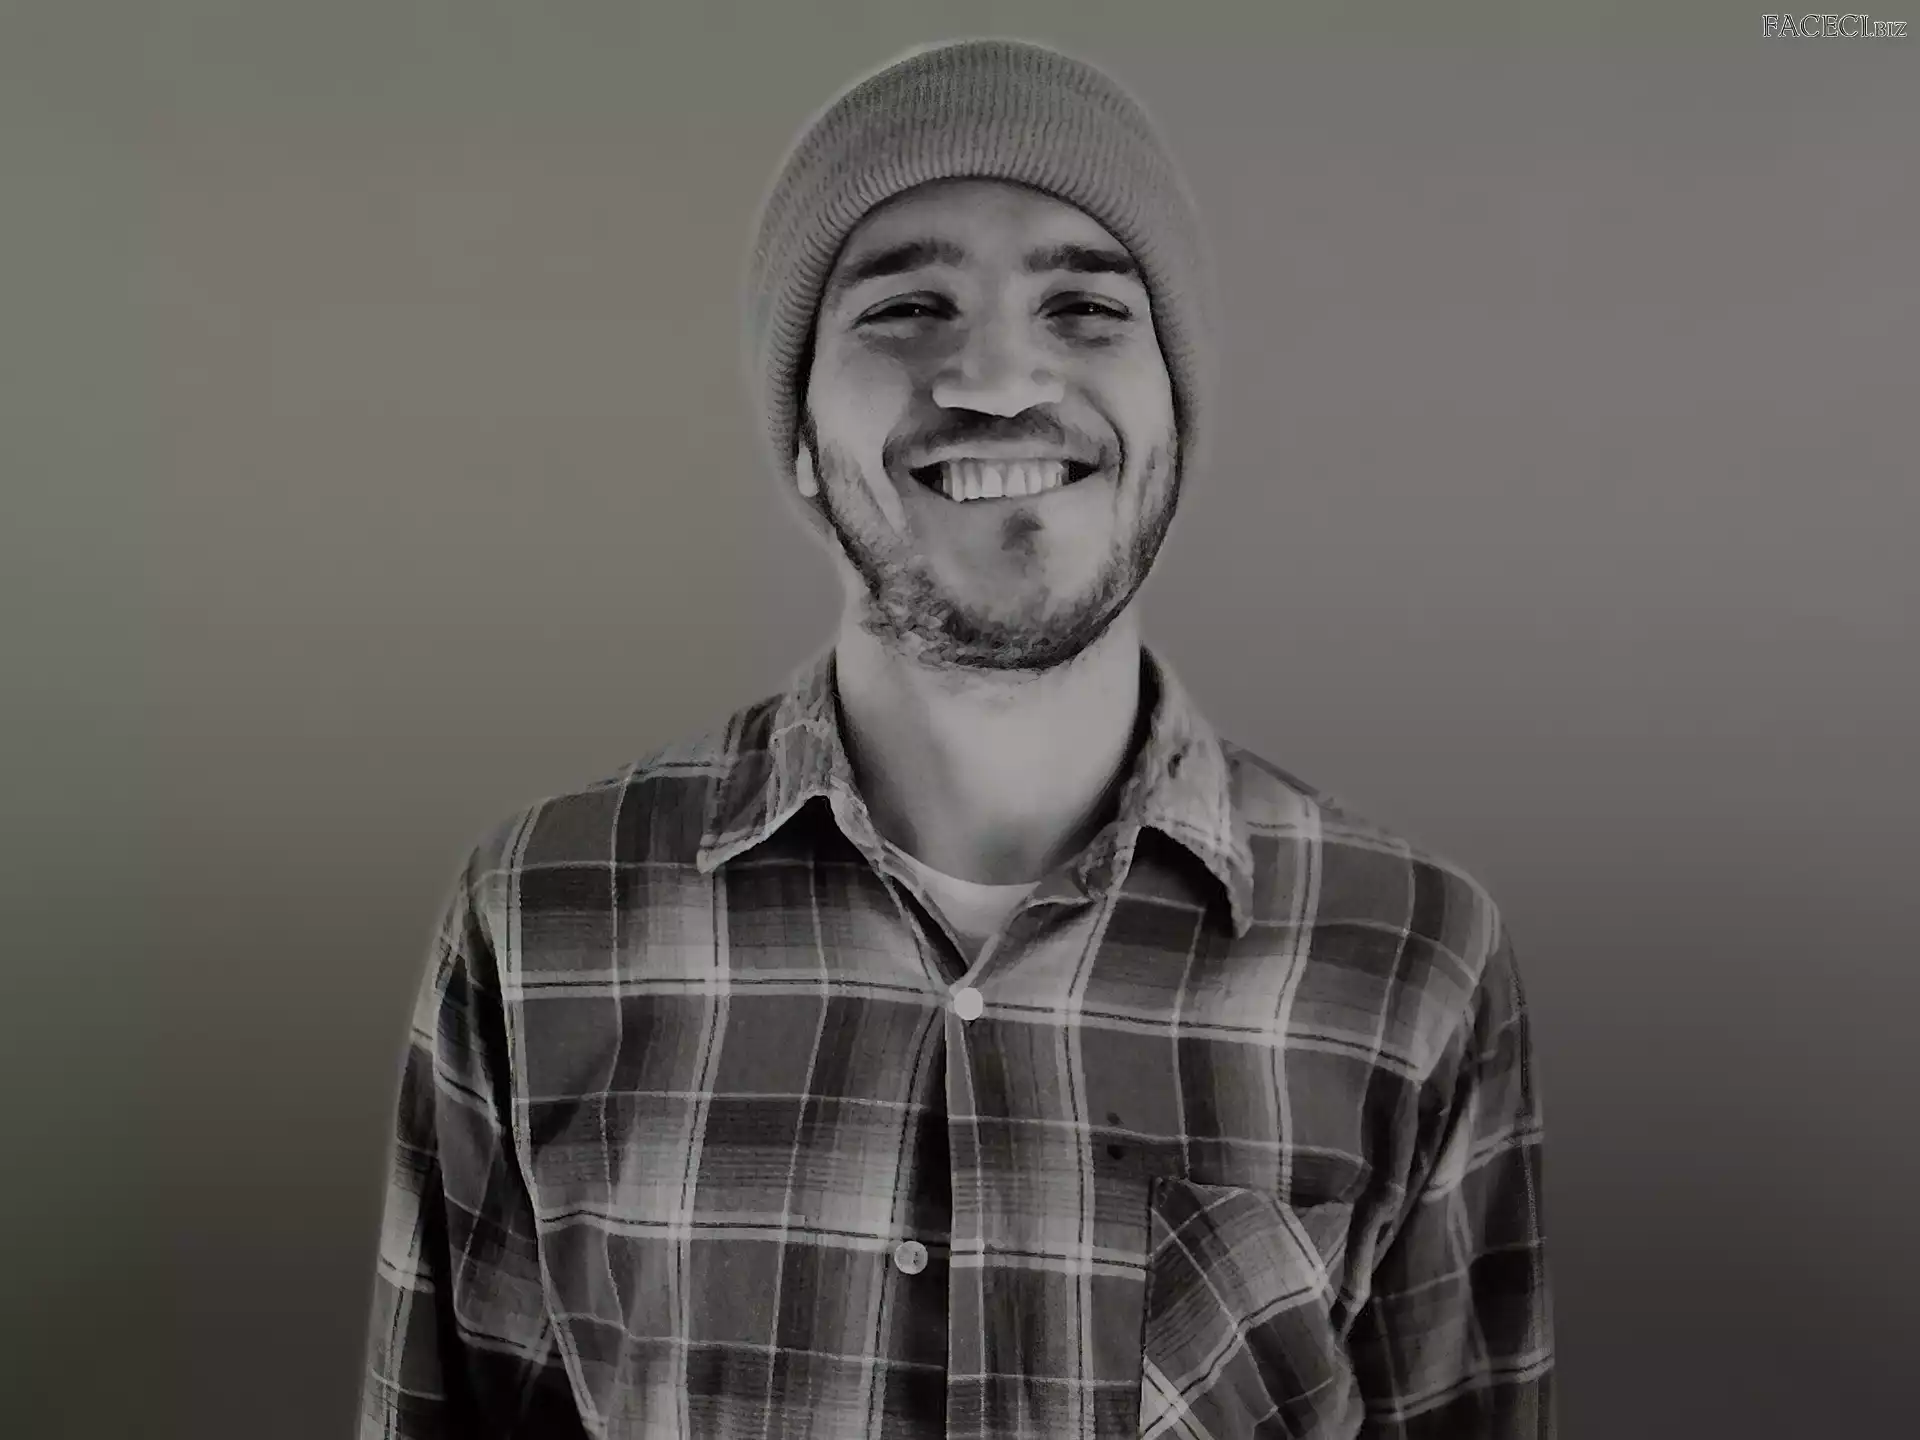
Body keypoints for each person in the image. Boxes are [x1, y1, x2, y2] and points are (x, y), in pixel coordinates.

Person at [359, 36, 1553, 1440]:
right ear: (798, 426)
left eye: (1086, 307)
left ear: (1178, 411)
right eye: (906, 307)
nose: (993, 379)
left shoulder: (1411, 958)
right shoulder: (542, 918)